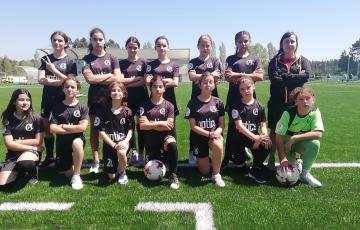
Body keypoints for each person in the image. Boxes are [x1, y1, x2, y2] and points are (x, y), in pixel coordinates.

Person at [267, 32, 311, 171]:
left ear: (296, 44)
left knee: (295, 131)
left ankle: (297, 159)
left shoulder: (303, 60)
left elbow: (306, 76)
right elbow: (275, 79)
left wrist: (286, 76)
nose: (289, 44)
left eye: (292, 41)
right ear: (282, 44)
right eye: (287, 41)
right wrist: (295, 77)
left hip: (295, 103)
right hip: (276, 103)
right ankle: (271, 158)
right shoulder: (274, 60)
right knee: (275, 131)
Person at [82, 28, 122, 173]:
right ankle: (96, 160)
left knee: (114, 127)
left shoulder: (112, 58)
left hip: (112, 98)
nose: (98, 42)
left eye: (100, 39)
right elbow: (90, 79)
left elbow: (118, 78)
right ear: (91, 41)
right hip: (94, 99)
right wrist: (109, 75)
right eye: (95, 39)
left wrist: (100, 78)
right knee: (95, 129)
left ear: (104, 41)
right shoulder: (86, 59)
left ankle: (114, 156)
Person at [222, 31, 264, 169]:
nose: (243, 44)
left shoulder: (255, 58)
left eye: (246, 41)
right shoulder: (230, 58)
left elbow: (260, 76)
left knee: (250, 124)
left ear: (249, 42)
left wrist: (238, 75)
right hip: (234, 97)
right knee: (233, 127)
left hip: (250, 97)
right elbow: (228, 77)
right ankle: (228, 157)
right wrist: (250, 76)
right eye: (240, 41)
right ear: (236, 43)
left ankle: (249, 148)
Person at [38, 31, 77, 168]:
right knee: (46, 128)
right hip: (47, 99)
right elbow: (41, 80)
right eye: (54, 40)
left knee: (61, 127)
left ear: (65, 43)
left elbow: (71, 82)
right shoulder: (45, 58)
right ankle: (49, 157)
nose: (57, 43)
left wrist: (54, 70)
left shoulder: (70, 60)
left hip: (63, 99)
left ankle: (62, 156)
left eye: (60, 40)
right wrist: (61, 81)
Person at [275, 86, 324, 188]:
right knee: (289, 168)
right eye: (301, 99)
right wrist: (283, 159)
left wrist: (294, 138)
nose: (305, 102)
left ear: (313, 100)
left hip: (295, 143)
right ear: (296, 102)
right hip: (286, 146)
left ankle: (305, 173)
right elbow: (278, 137)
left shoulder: (315, 112)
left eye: (308, 98)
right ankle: (295, 160)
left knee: (315, 143)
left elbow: (318, 133)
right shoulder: (288, 113)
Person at [228, 76, 272, 183]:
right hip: (238, 139)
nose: (246, 91)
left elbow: (262, 124)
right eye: (242, 89)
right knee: (240, 169)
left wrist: (264, 136)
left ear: (253, 87)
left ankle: (256, 169)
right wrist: (256, 138)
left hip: (252, 138)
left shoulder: (259, 106)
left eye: (248, 87)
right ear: (239, 91)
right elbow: (240, 127)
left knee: (267, 144)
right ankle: (242, 155)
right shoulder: (235, 105)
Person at [185, 72, 225, 187]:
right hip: (199, 137)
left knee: (218, 144)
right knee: (204, 171)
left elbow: (222, 125)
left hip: (214, 136)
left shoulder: (218, 102)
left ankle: (216, 174)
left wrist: (216, 133)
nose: (208, 84)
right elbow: (193, 126)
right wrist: (209, 134)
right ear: (200, 85)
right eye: (205, 82)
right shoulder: (192, 102)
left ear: (214, 85)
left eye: (210, 82)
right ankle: (208, 159)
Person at [139, 75, 180, 189]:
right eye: (155, 87)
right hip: (151, 141)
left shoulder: (169, 105)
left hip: (165, 138)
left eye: (160, 87)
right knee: (154, 165)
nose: (157, 89)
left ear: (164, 89)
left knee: (172, 144)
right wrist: (162, 123)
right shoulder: (144, 105)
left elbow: (169, 126)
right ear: (150, 88)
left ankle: (173, 175)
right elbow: (142, 126)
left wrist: (150, 124)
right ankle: (155, 155)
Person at [187, 34, 222, 164]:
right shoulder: (193, 61)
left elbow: (217, 76)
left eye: (207, 45)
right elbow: (191, 76)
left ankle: (216, 148)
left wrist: (200, 76)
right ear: (198, 46)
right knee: (195, 124)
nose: (205, 47)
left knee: (214, 122)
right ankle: (193, 151)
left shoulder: (215, 60)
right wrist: (209, 75)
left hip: (213, 97)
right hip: (196, 97)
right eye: (203, 45)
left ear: (211, 46)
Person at [49, 77, 88, 190]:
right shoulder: (57, 107)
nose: (70, 89)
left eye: (73, 87)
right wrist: (74, 128)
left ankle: (77, 175)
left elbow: (83, 128)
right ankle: (72, 166)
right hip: (62, 143)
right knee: (67, 173)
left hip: (78, 139)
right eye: (67, 87)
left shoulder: (83, 107)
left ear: (78, 90)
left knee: (76, 143)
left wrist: (64, 126)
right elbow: (52, 129)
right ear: (63, 89)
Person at [0, 89, 44, 186]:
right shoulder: (8, 118)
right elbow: (9, 144)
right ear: (14, 102)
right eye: (21, 100)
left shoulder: (36, 118)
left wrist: (17, 142)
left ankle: (32, 172)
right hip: (14, 154)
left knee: (25, 163)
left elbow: (38, 141)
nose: (25, 103)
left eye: (28, 100)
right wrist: (31, 147)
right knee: (3, 184)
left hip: (30, 154)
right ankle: (20, 171)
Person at [94, 81, 134, 184]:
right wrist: (113, 145)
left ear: (124, 94)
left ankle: (122, 172)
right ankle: (118, 165)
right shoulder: (102, 110)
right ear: (109, 93)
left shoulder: (127, 111)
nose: (116, 92)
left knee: (121, 152)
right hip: (109, 145)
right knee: (111, 176)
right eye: (113, 90)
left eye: (119, 90)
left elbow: (130, 131)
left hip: (123, 142)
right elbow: (101, 132)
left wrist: (125, 142)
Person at [119, 36, 149, 166]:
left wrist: (128, 82)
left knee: (141, 125)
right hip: (127, 98)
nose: (132, 49)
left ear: (139, 48)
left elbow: (145, 81)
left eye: (135, 47)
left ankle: (142, 153)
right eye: (130, 47)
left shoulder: (144, 63)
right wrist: (136, 79)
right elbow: (120, 81)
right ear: (126, 47)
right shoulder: (121, 63)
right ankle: (134, 151)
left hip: (142, 97)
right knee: (129, 125)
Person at [145, 36, 180, 117]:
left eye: (164, 46)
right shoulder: (150, 65)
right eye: (159, 46)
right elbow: (147, 82)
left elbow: (175, 83)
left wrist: (156, 80)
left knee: (171, 126)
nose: (161, 48)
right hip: (154, 98)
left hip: (170, 97)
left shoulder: (174, 65)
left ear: (168, 48)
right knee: (153, 122)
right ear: (155, 48)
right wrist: (168, 80)